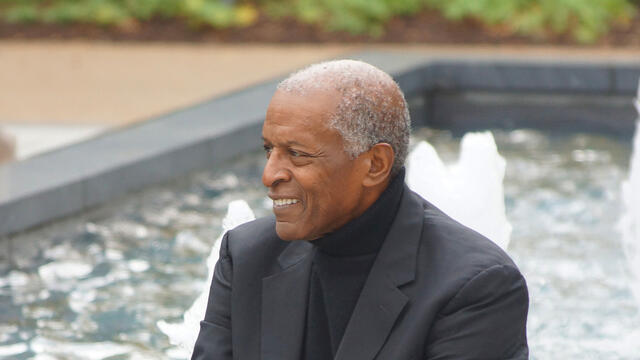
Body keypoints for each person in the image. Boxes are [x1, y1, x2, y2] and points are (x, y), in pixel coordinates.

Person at [192, 60, 529, 360]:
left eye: (297, 154)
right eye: (269, 150)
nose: (269, 175)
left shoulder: (475, 287)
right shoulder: (247, 255)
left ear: (374, 165)